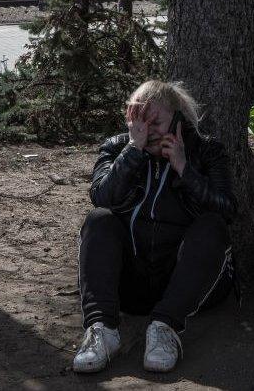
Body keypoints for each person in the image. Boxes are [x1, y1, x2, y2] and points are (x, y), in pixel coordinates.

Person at [74, 80, 236, 373]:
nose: (146, 130)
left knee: (212, 225)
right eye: (138, 121)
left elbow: (226, 210)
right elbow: (102, 196)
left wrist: (184, 169)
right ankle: (101, 331)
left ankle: (165, 327)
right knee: (99, 219)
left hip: (186, 284)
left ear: (177, 117)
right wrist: (133, 152)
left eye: (155, 121)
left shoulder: (207, 151)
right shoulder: (116, 147)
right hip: (132, 285)